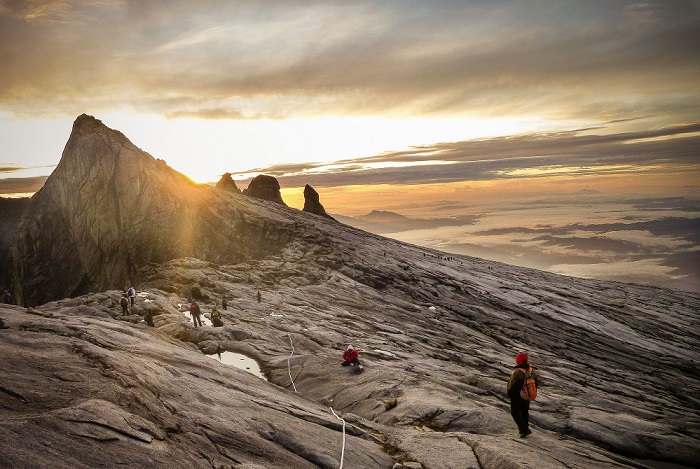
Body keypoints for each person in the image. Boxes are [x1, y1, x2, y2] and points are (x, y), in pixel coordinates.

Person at [507, 352, 540, 438]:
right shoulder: (531, 371)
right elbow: (536, 384)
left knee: (515, 412)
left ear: (519, 361)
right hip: (527, 396)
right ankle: (524, 429)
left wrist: (511, 396)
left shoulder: (517, 372)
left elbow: (512, 386)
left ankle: (524, 429)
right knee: (524, 412)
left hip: (517, 396)